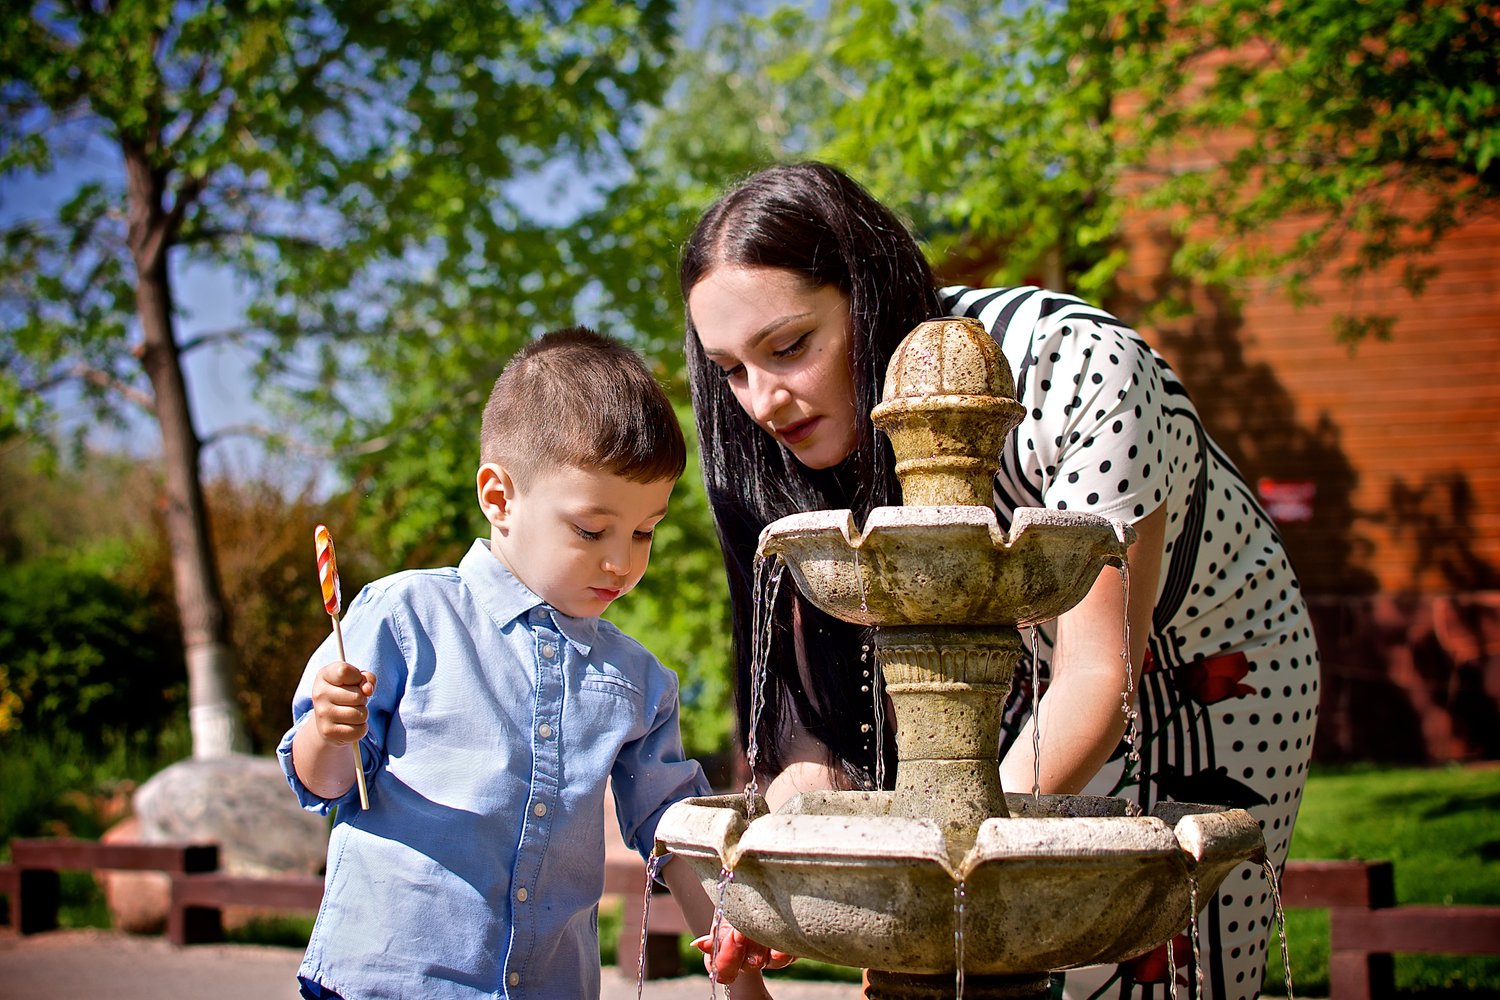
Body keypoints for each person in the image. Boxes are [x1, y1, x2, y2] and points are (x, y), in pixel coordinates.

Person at [680, 162, 1320, 1000]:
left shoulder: (1079, 367)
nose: (762, 402)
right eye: (730, 370)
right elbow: (810, 723)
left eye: (790, 347)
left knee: (1151, 976)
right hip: (999, 673)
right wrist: (795, 862)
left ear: (869, 297)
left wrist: (954, 859)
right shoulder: (800, 440)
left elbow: (1098, 673)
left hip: (1206, 665)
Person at [278, 327, 784, 1000]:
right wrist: (327, 731)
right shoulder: (407, 617)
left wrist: (739, 970)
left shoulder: (637, 682)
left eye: (644, 532)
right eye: (591, 530)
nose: (622, 561)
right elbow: (323, 783)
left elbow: (670, 827)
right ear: (499, 498)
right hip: (388, 981)